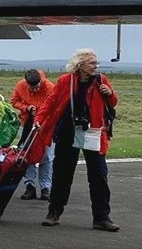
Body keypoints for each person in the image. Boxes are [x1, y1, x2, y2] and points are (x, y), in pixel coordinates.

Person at [26, 48, 120, 231]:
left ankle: (102, 217)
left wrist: (109, 93)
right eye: (92, 63)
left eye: (96, 63)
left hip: (93, 132)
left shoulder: (101, 80)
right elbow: (50, 102)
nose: (96, 66)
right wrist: (38, 121)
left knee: (99, 175)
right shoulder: (65, 81)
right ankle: (54, 212)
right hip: (68, 131)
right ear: (80, 65)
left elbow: (113, 103)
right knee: (62, 174)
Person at [9, 67, 54, 201]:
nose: (34, 90)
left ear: (41, 81)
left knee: (46, 157)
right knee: (26, 155)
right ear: (26, 83)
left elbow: (54, 107)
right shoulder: (20, 85)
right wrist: (26, 108)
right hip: (26, 124)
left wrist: (40, 115)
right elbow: (14, 101)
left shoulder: (51, 88)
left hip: (45, 127)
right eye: (31, 88)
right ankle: (30, 186)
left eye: (37, 87)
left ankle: (45, 188)